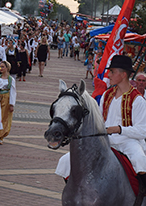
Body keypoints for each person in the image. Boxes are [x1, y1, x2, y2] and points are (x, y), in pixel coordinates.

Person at [56, 55, 146, 187]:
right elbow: (97, 120)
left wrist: (119, 129)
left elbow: (142, 131)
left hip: (128, 142)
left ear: (123, 74)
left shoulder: (138, 100)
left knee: (140, 160)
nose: (108, 75)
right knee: (66, 161)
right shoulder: (107, 95)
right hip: (105, 140)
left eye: (112, 72)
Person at [0, 61, 16, 145]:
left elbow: (13, 92)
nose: (1, 68)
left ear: (7, 68)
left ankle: (1, 135)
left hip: (6, 98)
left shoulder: (11, 79)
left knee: (4, 117)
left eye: (2, 67)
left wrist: (11, 104)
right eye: (0, 66)